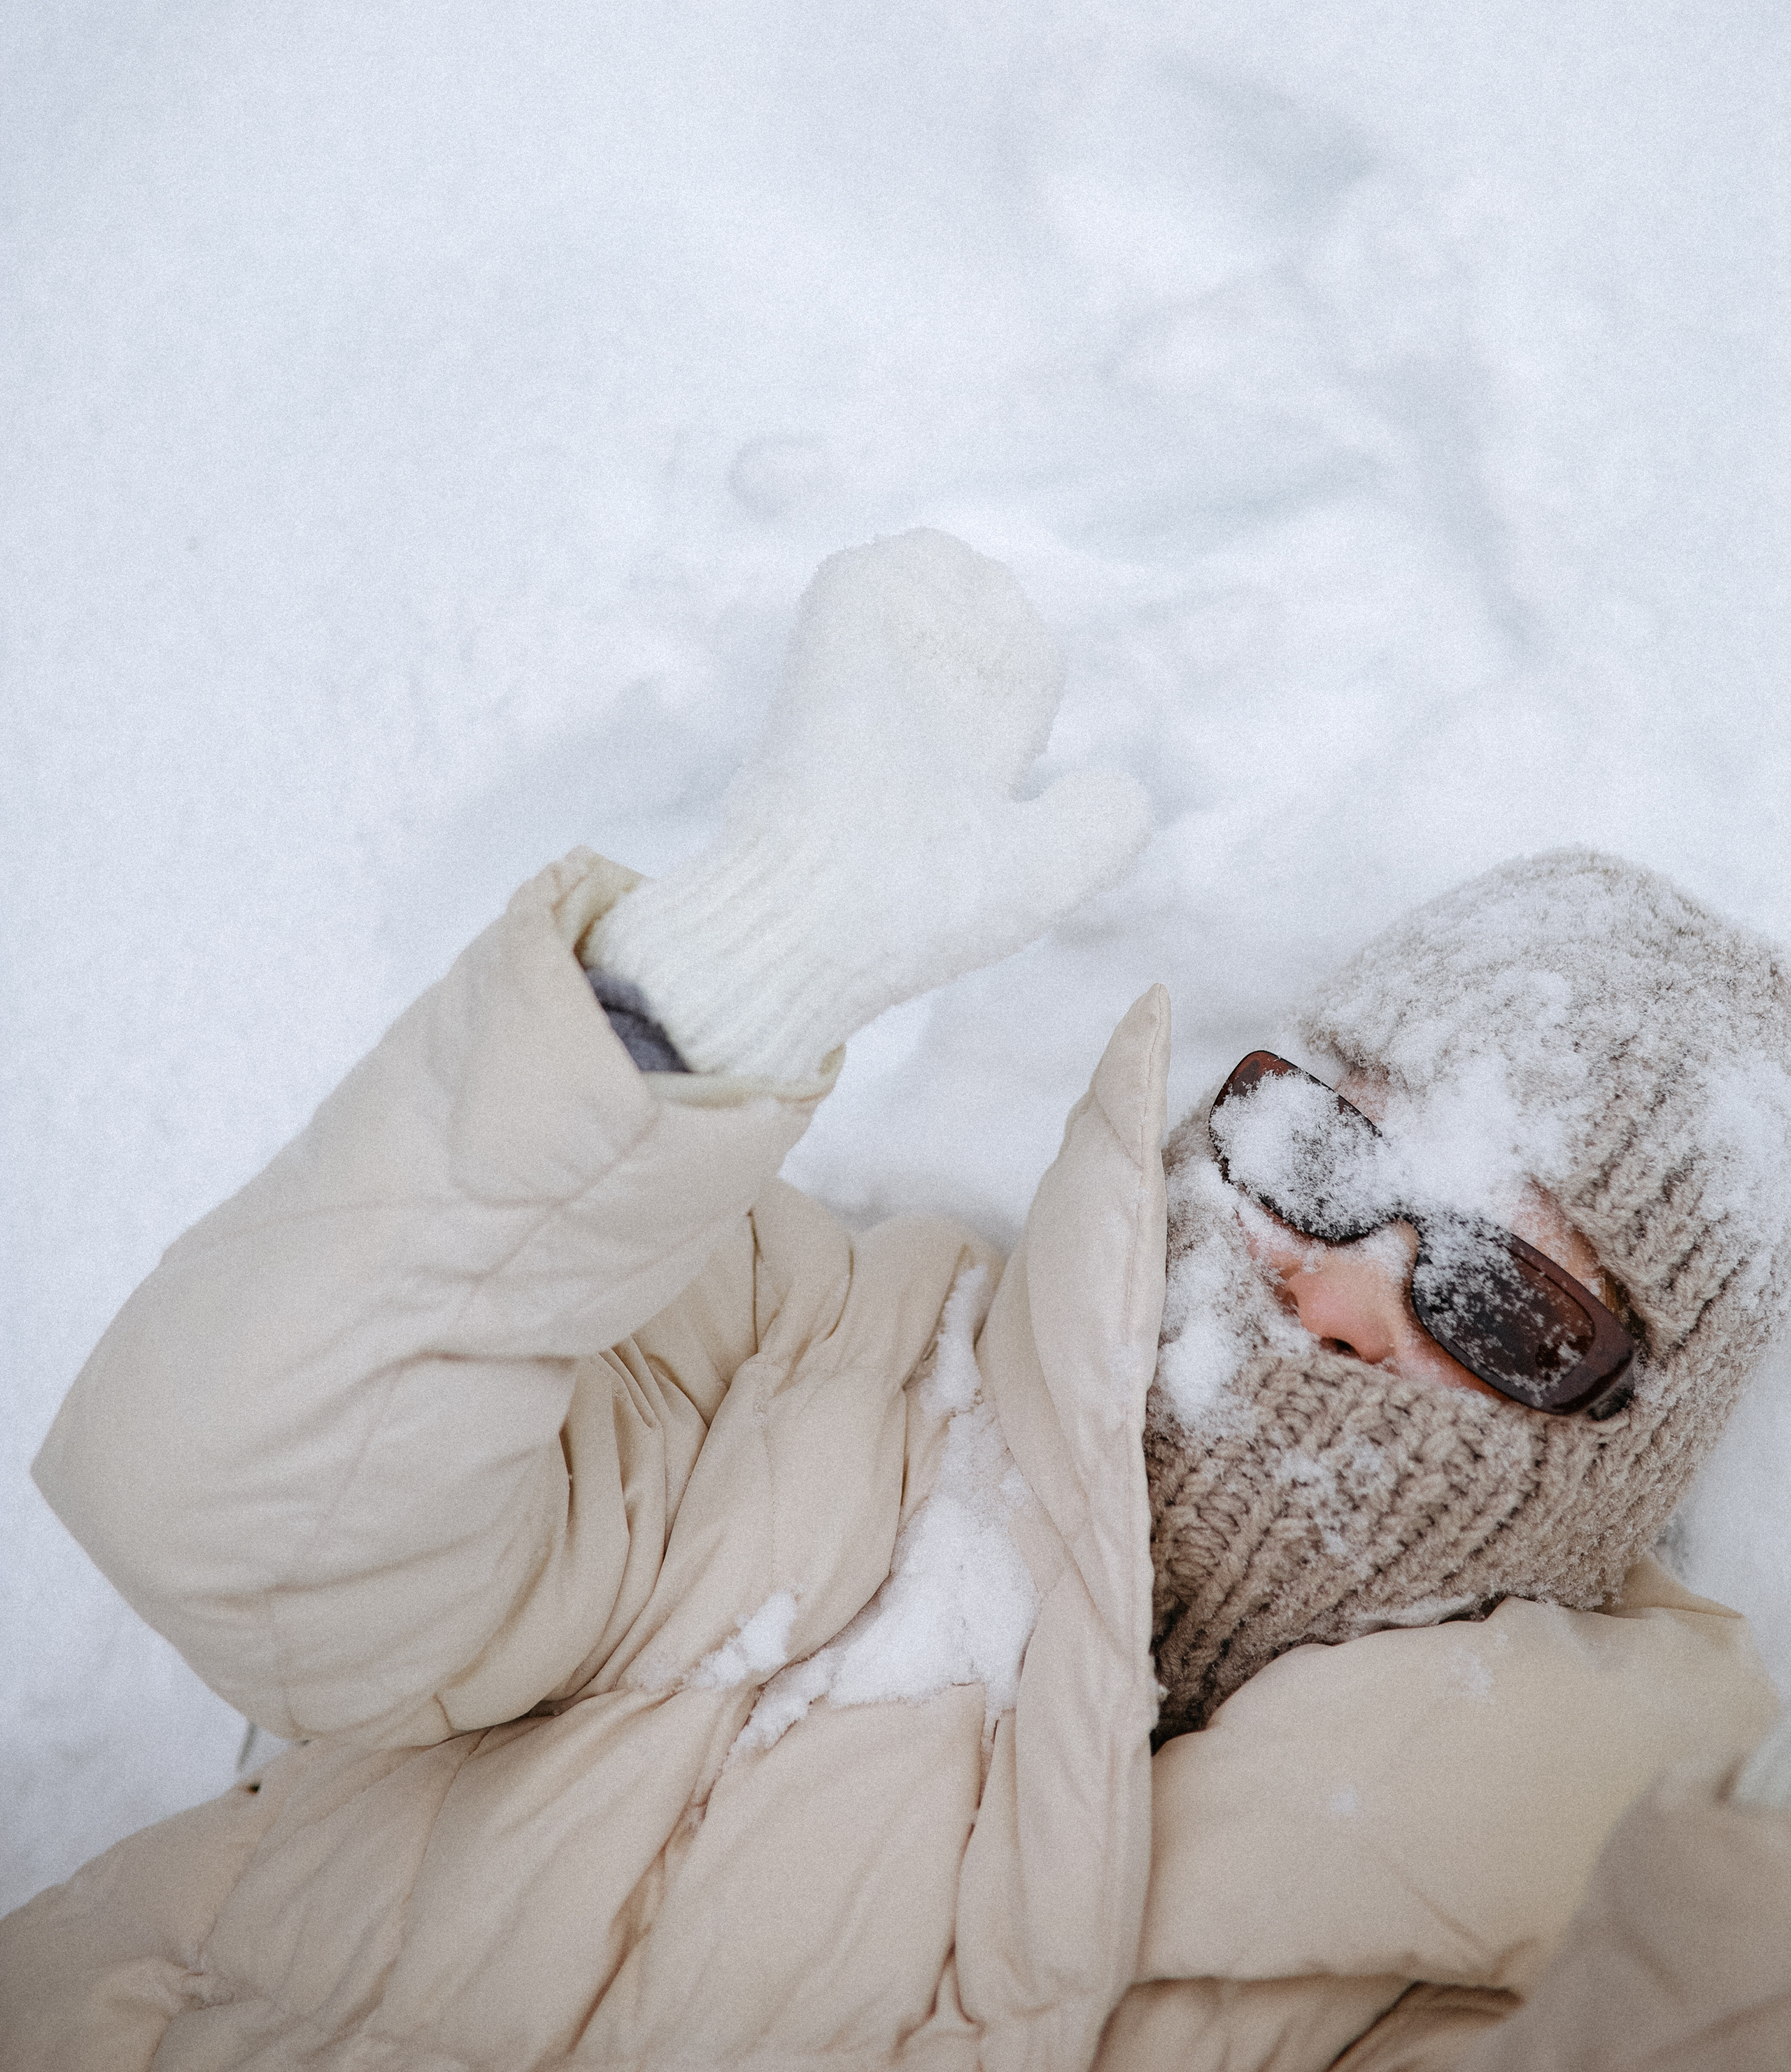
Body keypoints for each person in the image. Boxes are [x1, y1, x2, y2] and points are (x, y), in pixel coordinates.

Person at [3, 532, 1789, 2072]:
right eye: (1320, 1155)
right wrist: (711, 990)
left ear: (1624, 1445)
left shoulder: (1549, 1868)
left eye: (1495, 1301)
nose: (1329, 1289)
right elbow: (225, 1506)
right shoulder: (793, 1351)